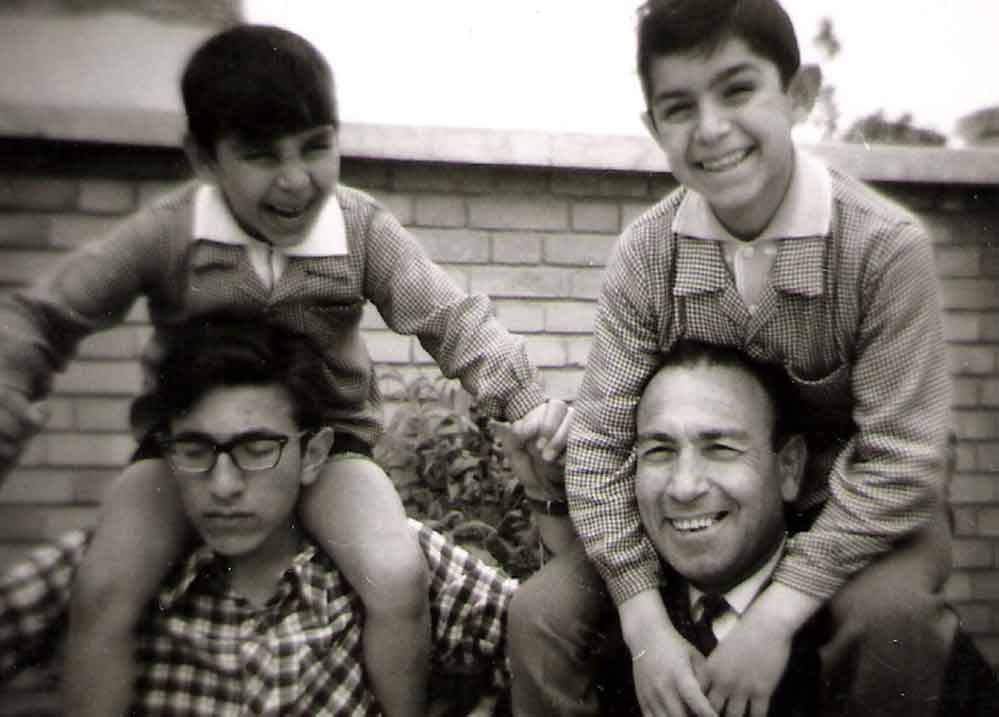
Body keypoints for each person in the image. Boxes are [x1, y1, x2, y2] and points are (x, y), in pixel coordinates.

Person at [0, 24, 569, 716]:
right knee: (102, 589)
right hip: (192, 450)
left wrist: (525, 401)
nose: (296, 179)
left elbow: (451, 319)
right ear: (204, 158)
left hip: (331, 446)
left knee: (395, 576)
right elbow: (45, 313)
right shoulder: (171, 232)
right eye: (261, 155)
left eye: (315, 147)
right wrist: (9, 383)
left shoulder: (359, 229)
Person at [525, 1, 954, 714]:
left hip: (864, 510)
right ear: (653, 128)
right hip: (718, 500)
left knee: (890, 621)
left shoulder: (881, 248)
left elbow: (904, 460)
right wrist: (643, 624)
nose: (711, 128)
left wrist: (775, 615)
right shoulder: (646, 254)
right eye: (679, 107)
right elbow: (599, 445)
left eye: (737, 90)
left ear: (799, 94)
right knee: (542, 616)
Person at [0, 317, 517, 715]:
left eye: (256, 449)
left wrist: (546, 497)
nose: (223, 485)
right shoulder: (112, 569)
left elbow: (547, 639)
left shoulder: (386, 557)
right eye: (196, 450)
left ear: (313, 454)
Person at [511, 342, 997, 717]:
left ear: (789, 468)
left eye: (721, 449)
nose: (684, 486)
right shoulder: (602, 641)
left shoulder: (887, 641)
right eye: (659, 451)